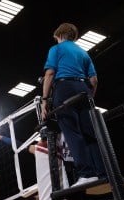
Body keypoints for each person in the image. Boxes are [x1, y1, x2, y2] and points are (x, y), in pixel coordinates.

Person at [40, 22, 105, 186]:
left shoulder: (56, 49)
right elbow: (94, 80)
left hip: (64, 88)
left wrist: (44, 101)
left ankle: (87, 173)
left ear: (59, 35)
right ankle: (103, 173)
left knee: (72, 133)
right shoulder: (83, 52)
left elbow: (49, 73)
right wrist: (89, 97)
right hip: (84, 90)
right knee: (90, 134)